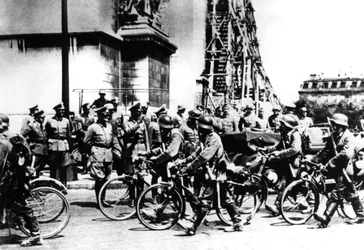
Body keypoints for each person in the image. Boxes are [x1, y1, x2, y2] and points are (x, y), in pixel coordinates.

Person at [176, 115, 243, 235]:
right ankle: (237, 222)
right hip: (213, 172)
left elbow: (204, 156)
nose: (199, 130)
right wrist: (184, 161)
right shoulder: (206, 137)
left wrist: (190, 167)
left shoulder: (214, 139)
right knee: (226, 198)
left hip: (216, 172)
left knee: (206, 200)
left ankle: (193, 226)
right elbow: (197, 153)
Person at [312, 113, 364, 227]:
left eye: (335, 124)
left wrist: (330, 163)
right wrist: (314, 160)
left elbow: (346, 154)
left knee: (336, 194)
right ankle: (361, 214)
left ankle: (325, 218)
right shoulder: (333, 136)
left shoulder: (348, 137)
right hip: (337, 170)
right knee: (350, 192)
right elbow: (325, 151)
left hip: (345, 170)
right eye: (333, 124)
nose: (333, 126)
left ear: (342, 126)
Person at [0, 135, 43, 247]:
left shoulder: (3, 143)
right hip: (14, 179)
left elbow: (1, 164)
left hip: (12, 181)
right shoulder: (8, 139)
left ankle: (35, 234)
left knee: (18, 205)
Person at [263, 114, 302, 216]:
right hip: (287, 163)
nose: (280, 125)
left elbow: (295, 149)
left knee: (291, 185)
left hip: (294, 163)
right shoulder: (286, 134)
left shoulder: (295, 135)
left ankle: (310, 204)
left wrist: (280, 153)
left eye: (282, 124)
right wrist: (267, 149)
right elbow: (278, 146)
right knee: (286, 184)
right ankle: (279, 206)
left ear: (287, 125)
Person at [83, 106, 122, 207]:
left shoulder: (109, 126)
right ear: (99, 116)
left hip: (108, 154)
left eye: (107, 115)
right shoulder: (92, 127)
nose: (106, 117)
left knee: (105, 178)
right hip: (98, 154)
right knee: (99, 178)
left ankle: (103, 199)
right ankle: (99, 201)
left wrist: (117, 151)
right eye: (104, 115)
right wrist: (93, 151)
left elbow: (113, 139)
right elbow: (86, 142)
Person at [45, 102, 72, 185]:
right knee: (53, 166)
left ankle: (63, 184)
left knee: (64, 166)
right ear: (56, 110)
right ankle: (52, 184)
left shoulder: (66, 121)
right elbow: (47, 134)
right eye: (60, 110)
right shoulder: (50, 121)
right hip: (53, 146)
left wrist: (70, 147)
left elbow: (69, 134)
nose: (62, 112)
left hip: (64, 145)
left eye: (63, 110)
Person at [20, 110, 48, 177]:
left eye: (44, 118)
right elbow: (21, 135)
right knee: (33, 168)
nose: (43, 119)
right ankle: (31, 182)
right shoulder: (31, 125)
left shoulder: (42, 126)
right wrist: (26, 146)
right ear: (37, 118)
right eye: (41, 118)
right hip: (35, 150)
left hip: (44, 151)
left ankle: (35, 180)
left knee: (40, 166)